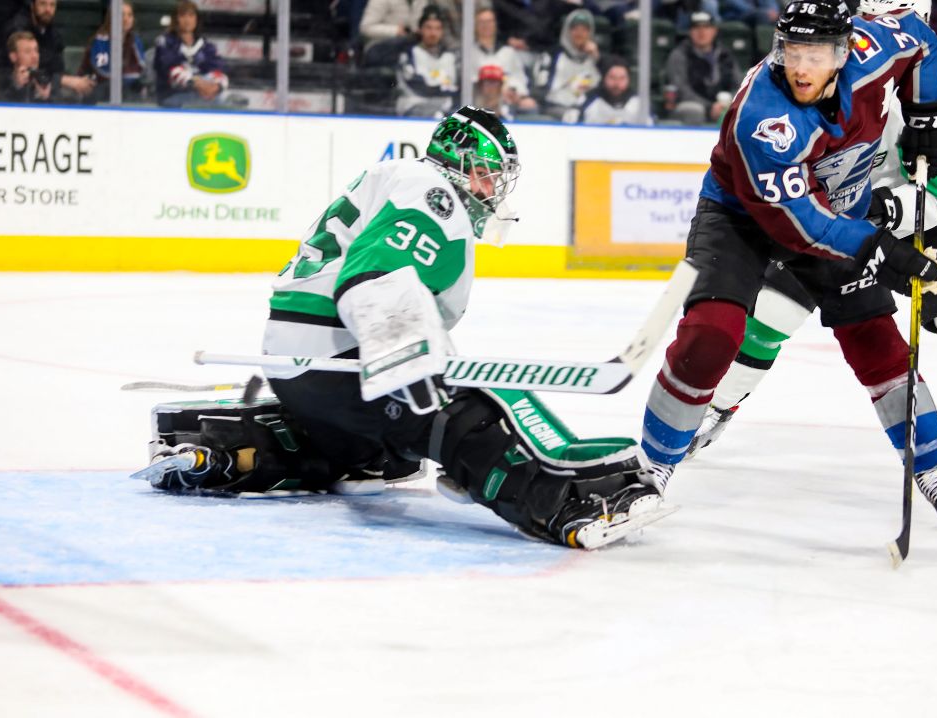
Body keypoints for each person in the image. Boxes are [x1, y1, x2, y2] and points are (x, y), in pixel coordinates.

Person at [138, 107, 671, 550]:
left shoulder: (400, 178)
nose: (491, 187)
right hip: (343, 350)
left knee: (379, 452)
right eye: (488, 172)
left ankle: (225, 452)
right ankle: (569, 502)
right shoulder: (433, 192)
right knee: (460, 415)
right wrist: (406, 357)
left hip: (296, 361)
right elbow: (372, 273)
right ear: (462, 163)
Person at [691, 0, 937, 526]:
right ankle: (716, 407)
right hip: (833, 220)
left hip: (920, 224)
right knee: (769, 317)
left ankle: (932, 460)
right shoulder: (833, 62)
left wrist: (885, 208)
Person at [0, 0, 96, 102]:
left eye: (52, 5)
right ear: (32, 6)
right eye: (43, 4)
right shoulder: (17, 29)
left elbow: (56, 68)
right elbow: (27, 69)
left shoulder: (53, 35)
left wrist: (52, 90)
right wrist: (63, 80)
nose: (48, 10)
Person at [664, 11, 740, 125]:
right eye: (696, 28)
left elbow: (739, 84)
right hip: (691, 107)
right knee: (694, 110)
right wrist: (710, 108)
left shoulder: (725, 55)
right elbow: (681, 89)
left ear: (714, 31)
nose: (702, 32)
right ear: (690, 31)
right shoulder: (680, 54)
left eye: (706, 27)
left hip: (723, 106)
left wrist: (728, 104)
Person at [153, 0, 229, 108]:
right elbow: (171, 70)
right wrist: (197, 83)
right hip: (172, 95)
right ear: (175, 19)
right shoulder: (165, 42)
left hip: (202, 95)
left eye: (191, 15)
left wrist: (216, 86)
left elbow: (218, 70)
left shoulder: (206, 46)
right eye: (182, 15)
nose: (187, 20)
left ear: (196, 19)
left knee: (222, 100)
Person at [466, 7, 538, 115]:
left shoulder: (508, 52)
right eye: (482, 22)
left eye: (490, 21)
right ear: (475, 26)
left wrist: (512, 91)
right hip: (478, 103)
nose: (486, 25)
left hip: (506, 103)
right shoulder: (469, 53)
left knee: (530, 105)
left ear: (495, 24)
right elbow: (468, 82)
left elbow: (519, 79)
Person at [534, 9, 601, 121]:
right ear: (567, 31)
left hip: (586, 110)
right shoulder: (551, 56)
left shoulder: (596, 59)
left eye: (584, 30)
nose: (579, 34)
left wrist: (598, 59)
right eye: (575, 29)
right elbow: (541, 88)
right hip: (555, 108)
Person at [78, 0, 148, 103]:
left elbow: (139, 69)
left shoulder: (135, 41)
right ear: (112, 17)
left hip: (125, 90)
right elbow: (102, 72)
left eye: (129, 15)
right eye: (122, 14)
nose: (126, 19)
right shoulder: (101, 39)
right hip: (97, 89)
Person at [395, 5, 458, 118]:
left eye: (437, 28)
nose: (433, 33)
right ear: (420, 29)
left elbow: (456, 87)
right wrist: (442, 88)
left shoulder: (449, 56)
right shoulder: (409, 54)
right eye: (429, 28)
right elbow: (417, 85)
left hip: (445, 108)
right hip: (414, 107)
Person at [0, 31, 55, 103]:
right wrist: (17, 87)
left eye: (36, 50)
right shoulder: (0, 81)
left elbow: (61, 108)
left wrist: (44, 98)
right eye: (27, 51)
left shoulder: (46, 79)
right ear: (13, 57)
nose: (34, 56)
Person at [576, 55, 646, 125]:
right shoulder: (587, 100)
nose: (617, 83)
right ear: (604, 78)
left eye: (622, 78)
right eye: (612, 77)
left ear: (629, 80)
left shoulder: (639, 103)